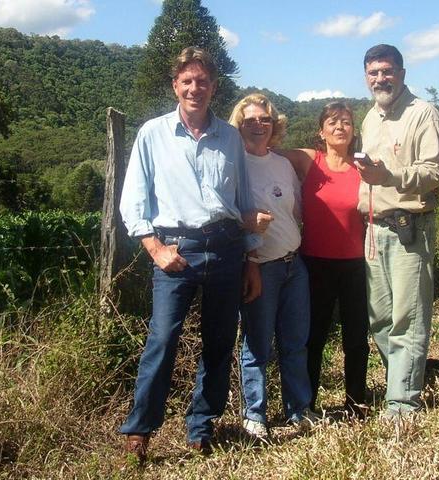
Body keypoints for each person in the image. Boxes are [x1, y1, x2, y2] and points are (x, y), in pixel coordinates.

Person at [118, 47, 271, 462]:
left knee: (219, 342)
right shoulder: (153, 134)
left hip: (225, 249)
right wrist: (154, 248)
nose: (194, 88)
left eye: (202, 81)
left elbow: (242, 203)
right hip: (176, 251)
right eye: (186, 81)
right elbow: (132, 201)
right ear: (175, 86)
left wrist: (251, 258)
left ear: (213, 87)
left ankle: (201, 428)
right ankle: (141, 430)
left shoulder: (230, 138)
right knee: (162, 339)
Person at [354, 44, 439, 419]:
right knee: (379, 318)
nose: (381, 78)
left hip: (410, 228)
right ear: (366, 77)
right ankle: (405, 378)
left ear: (402, 73)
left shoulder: (423, 114)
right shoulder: (369, 118)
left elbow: (434, 172)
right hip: (374, 229)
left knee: (408, 317)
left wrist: (389, 176)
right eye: (374, 73)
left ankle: (402, 406)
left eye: (387, 71)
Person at [228, 94, 314, 439]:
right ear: (239, 125)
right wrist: (246, 231)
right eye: (250, 120)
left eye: (265, 120)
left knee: (295, 342)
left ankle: (298, 410)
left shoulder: (281, 163)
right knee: (257, 344)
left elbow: (297, 210)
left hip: (295, 265)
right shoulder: (234, 165)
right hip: (260, 266)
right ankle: (255, 415)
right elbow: (226, 217)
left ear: (274, 125)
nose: (258, 126)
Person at [277, 102, 369, 418]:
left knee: (356, 337)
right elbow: (266, 147)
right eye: (332, 122)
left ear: (354, 130)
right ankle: (307, 404)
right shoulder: (309, 160)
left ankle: (357, 401)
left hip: (356, 264)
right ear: (321, 131)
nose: (340, 126)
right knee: (313, 337)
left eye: (346, 122)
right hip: (314, 263)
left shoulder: (363, 168)